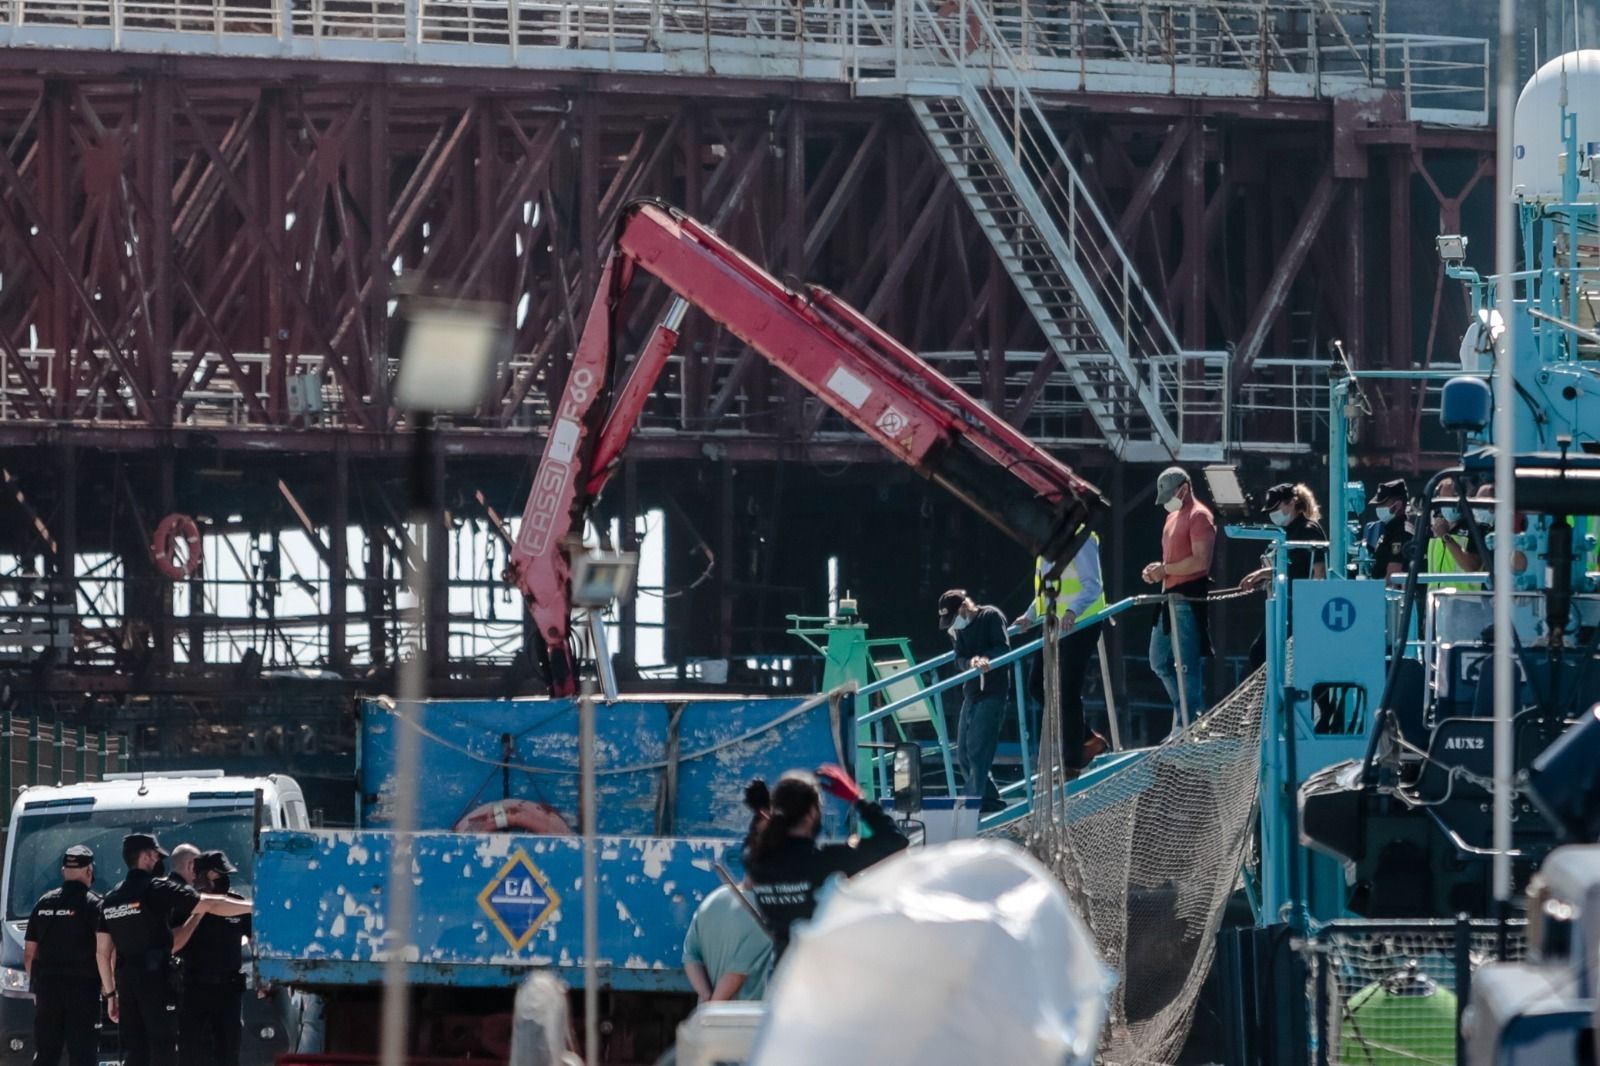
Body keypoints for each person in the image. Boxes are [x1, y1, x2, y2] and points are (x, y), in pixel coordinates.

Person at [96, 834, 250, 1066]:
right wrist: (253, 906)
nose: (159, 861)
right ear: (146, 857)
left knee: (136, 1052)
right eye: (156, 855)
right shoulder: (157, 888)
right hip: (157, 983)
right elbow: (210, 903)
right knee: (164, 1049)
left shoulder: (110, 899)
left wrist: (110, 995)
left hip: (127, 985)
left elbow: (103, 952)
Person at [742, 766, 907, 962]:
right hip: (820, 979)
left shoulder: (756, 859)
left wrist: (761, 812)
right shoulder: (825, 860)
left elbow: (758, 839)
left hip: (781, 979)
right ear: (812, 813)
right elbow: (896, 841)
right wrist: (858, 799)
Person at [1012, 535, 1108, 774]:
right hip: (1055, 624)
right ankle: (1086, 738)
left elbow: (1093, 585)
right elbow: (1047, 593)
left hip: (1082, 622)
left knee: (1067, 689)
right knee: (1036, 686)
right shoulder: (1047, 544)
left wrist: (1074, 611)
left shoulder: (1082, 540)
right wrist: (1030, 615)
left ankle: (1072, 760)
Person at [1141, 467, 1215, 730]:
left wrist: (1165, 569)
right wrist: (1157, 570)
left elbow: (1200, 562)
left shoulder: (1200, 517)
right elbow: (1172, 560)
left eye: (1169, 496)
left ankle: (1188, 722)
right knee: (1158, 661)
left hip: (1188, 599)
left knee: (1187, 664)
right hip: (1168, 598)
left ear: (1184, 489)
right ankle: (1186, 712)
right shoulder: (1172, 517)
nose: (1166, 503)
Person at [24, 845, 104, 1066]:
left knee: (46, 1054)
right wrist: (110, 989)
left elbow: (30, 954)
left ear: (63, 871)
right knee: (83, 1055)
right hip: (83, 991)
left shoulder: (43, 903)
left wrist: (39, 988)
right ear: (89, 871)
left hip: (48, 990)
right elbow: (103, 950)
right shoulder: (94, 904)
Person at [936, 589, 1011, 812]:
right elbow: (958, 658)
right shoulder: (955, 631)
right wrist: (970, 663)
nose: (952, 624)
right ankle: (990, 799)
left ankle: (973, 802)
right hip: (971, 692)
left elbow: (1003, 647)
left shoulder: (990, 616)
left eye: (953, 617)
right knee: (963, 753)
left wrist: (986, 659)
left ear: (963, 608)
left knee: (978, 748)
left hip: (993, 692)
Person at [1240, 483, 1328, 672]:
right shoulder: (1283, 534)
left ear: (1292, 503)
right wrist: (1261, 576)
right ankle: (1273, 699)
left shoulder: (1308, 529)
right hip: (1283, 604)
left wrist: (1312, 611)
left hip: (1301, 607)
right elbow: (1281, 568)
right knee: (1259, 654)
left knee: (1264, 654)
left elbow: (1319, 571)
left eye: (1276, 508)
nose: (1273, 514)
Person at [176, 851, 253, 1066]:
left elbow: (254, 940)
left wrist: (263, 977)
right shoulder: (185, 904)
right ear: (201, 875)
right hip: (195, 989)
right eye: (217, 874)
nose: (223, 880)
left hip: (228, 990)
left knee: (228, 1053)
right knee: (191, 1053)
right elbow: (174, 944)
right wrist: (201, 909)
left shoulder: (237, 904)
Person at [681, 880, 772, 1003]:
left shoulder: (712, 899)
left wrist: (706, 995)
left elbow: (690, 956)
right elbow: (737, 974)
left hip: (711, 1014)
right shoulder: (765, 913)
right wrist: (714, 1007)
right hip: (745, 1015)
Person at [1426, 476, 1481, 586]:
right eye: (1442, 501)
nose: (1445, 506)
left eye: (1450, 500)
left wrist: (1446, 537)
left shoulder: (1475, 527)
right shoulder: (1433, 529)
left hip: (1467, 600)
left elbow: (1472, 566)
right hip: (1436, 599)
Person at [1365, 479, 1412, 582]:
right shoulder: (1389, 531)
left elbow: (1393, 576)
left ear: (1398, 505)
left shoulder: (1402, 533)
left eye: (1382, 504)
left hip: (1389, 595)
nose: (1378, 508)